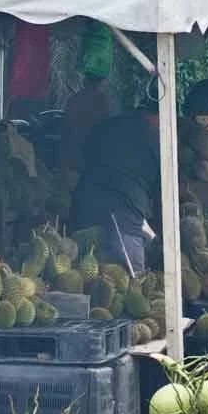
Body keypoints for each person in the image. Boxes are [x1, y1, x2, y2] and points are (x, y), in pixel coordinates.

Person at [72, 106, 160, 274]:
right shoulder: (155, 138)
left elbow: (81, 159)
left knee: (84, 277)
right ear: (157, 115)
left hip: (84, 207)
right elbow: (162, 197)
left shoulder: (108, 126)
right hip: (123, 217)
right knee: (133, 279)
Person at [60, 74, 114, 189]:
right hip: (90, 160)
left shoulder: (75, 100)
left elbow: (65, 132)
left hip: (79, 159)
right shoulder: (102, 102)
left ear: (85, 81)